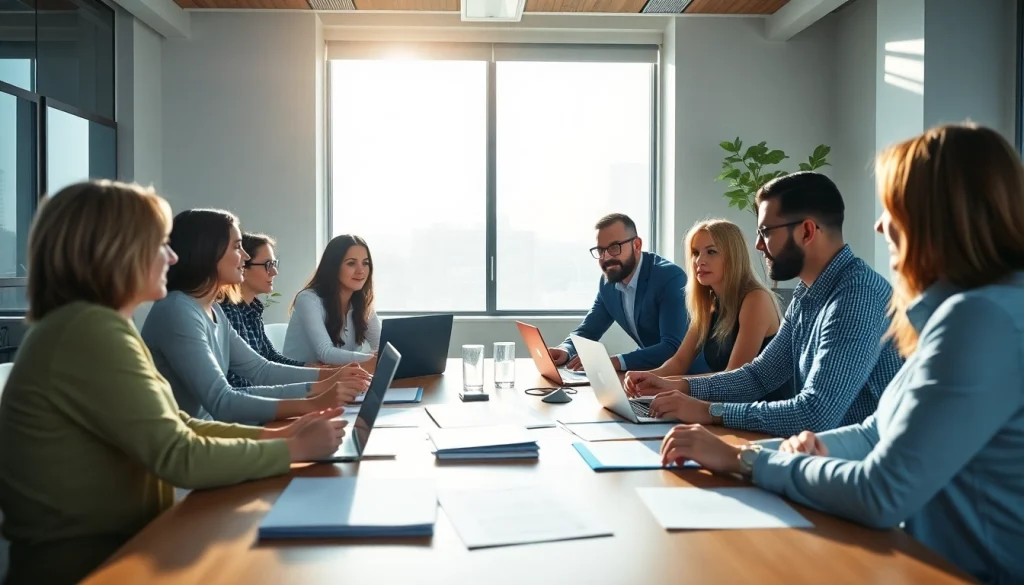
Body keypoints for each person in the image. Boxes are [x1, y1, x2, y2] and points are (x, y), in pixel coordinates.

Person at [658, 124, 1024, 585]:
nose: (879, 225)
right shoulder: (966, 310)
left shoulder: (980, 319)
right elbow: (875, 431)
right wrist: (696, 400)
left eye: (893, 208)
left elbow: (881, 488)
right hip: (910, 547)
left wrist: (744, 459)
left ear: (938, 217)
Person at [0, 181, 347, 585]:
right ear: (114, 251)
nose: (172, 255)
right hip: (93, 569)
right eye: (158, 243)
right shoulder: (88, 330)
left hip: (130, 549)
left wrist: (282, 438)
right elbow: (178, 454)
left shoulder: (98, 325)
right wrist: (291, 448)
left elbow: (180, 424)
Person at [627, 172, 903, 437]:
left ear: (807, 231)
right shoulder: (807, 295)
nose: (758, 245)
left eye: (766, 232)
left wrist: (710, 411)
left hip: (862, 469)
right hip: (822, 457)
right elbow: (758, 376)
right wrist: (681, 386)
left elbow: (815, 414)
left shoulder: (856, 296)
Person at [141, 209, 369, 424]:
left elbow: (261, 370)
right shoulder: (177, 310)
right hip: (193, 446)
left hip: (212, 435)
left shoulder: (213, 309)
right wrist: (313, 402)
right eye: (237, 247)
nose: (245, 256)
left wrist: (328, 381)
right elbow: (222, 400)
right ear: (209, 251)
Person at [631, 219, 788, 399]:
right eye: (695, 253)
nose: (700, 261)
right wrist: (643, 379)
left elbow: (734, 377)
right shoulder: (709, 304)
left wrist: (670, 385)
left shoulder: (756, 299)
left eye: (711, 252)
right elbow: (679, 362)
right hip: (725, 409)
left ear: (733, 257)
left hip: (761, 415)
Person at [550, 213, 704, 373]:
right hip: (649, 376)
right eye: (601, 250)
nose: (606, 257)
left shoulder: (670, 278)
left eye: (614, 247)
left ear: (637, 245)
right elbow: (589, 330)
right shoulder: (607, 283)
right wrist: (566, 349)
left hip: (691, 377)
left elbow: (672, 347)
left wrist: (616, 361)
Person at [221, 232, 316, 388]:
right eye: (267, 265)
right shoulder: (228, 311)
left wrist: (311, 369)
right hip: (248, 403)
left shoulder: (253, 309)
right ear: (243, 266)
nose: (274, 272)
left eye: (274, 264)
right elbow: (241, 380)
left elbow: (270, 356)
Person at [283, 234, 381, 367]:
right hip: (301, 383)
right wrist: (370, 359)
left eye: (365, 263)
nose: (361, 270)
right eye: (351, 263)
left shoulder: (361, 304)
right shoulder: (308, 299)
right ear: (333, 267)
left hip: (336, 379)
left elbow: (381, 346)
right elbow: (325, 353)